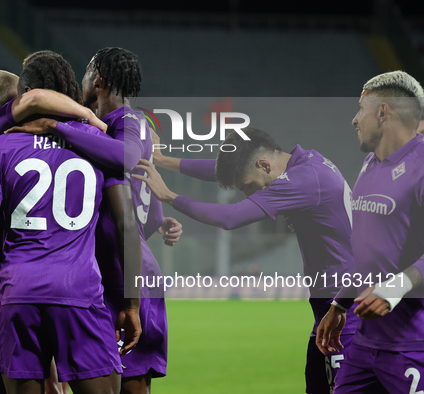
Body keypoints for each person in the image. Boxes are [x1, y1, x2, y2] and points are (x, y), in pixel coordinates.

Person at [0, 50, 142, 394]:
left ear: (23, 96)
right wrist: (132, 302)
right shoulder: (98, 143)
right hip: (79, 292)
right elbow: (127, 227)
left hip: (18, 294)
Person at [8, 47, 183, 393]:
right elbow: (143, 208)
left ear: (98, 80)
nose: (79, 80)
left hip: (126, 277)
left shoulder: (126, 121)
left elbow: (125, 159)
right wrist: (159, 221)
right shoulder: (110, 127)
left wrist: (55, 126)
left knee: (130, 383)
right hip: (114, 269)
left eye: (86, 73)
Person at [134, 127, 358, 393]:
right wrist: (162, 160)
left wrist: (169, 196)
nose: (251, 195)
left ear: (264, 164)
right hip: (330, 309)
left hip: (346, 308)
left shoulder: (304, 180)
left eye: (250, 186)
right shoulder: (307, 164)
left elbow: (231, 218)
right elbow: (226, 169)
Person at [316, 70, 424, 393]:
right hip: (364, 344)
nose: (354, 120)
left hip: (413, 344)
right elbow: (367, 249)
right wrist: (340, 304)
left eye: (360, 109)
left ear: (382, 112)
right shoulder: (371, 164)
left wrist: (399, 285)